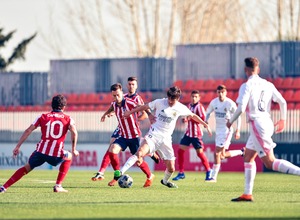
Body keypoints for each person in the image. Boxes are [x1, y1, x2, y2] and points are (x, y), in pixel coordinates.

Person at [227, 57, 300, 202]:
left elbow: (241, 108)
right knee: (248, 156)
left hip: (257, 124)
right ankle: (247, 194)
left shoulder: (246, 85)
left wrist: (230, 121)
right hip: (267, 122)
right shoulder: (268, 84)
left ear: (245, 70)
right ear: (258, 69)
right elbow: (282, 102)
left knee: (269, 162)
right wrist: (283, 120)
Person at [115, 86, 212, 188]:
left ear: (178, 99)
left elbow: (192, 115)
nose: (170, 101)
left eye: (173, 100)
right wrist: (130, 112)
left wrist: (205, 124)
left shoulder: (180, 107)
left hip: (166, 140)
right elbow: (145, 106)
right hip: (154, 135)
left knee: (171, 169)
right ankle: (121, 172)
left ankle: (165, 181)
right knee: (139, 153)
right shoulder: (159, 102)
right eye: (169, 98)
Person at [0, 94, 79, 193]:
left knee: (27, 167)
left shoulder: (42, 116)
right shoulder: (68, 119)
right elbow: (74, 132)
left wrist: (18, 146)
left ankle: (4, 187)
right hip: (55, 154)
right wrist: (74, 149)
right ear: (64, 107)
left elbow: (28, 130)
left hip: (40, 152)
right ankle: (58, 185)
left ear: (51, 105)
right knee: (69, 156)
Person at [91, 77, 159, 182]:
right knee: (112, 150)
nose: (117, 97)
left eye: (118, 95)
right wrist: (105, 114)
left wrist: (149, 115)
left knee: (139, 161)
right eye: (114, 96)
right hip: (123, 134)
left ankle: (150, 175)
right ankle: (117, 174)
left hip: (134, 135)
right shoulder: (115, 103)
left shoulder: (131, 101)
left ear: (122, 93)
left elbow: (143, 107)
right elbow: (112, 107)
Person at [205, 84, 243, 183]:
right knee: (221, 155)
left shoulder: (230, 103)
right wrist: (206, 121)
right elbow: (208, 112)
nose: (221, 94)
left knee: (217, 154)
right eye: (219, 92)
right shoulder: (214, 102)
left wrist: (238, 130)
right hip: (218, 132)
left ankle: (213, 177)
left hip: (227, 131)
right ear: (217, 93)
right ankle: (241, 152)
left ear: (226, 92)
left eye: (223, 92)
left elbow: (238, 116)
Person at [172, 90, 212, 181]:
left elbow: (202, 119)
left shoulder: (199, 107)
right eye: (192, 97)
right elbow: (187, 117)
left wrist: (191, 119)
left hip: (196, 134)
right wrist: (185, 120)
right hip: (188, 133)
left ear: (199, 98)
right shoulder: (189, 106)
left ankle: (208, 170)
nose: (194, 98)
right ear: (190, 97)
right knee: (180, 151)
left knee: (200, 153)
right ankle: (181, 172)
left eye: (195, 97)